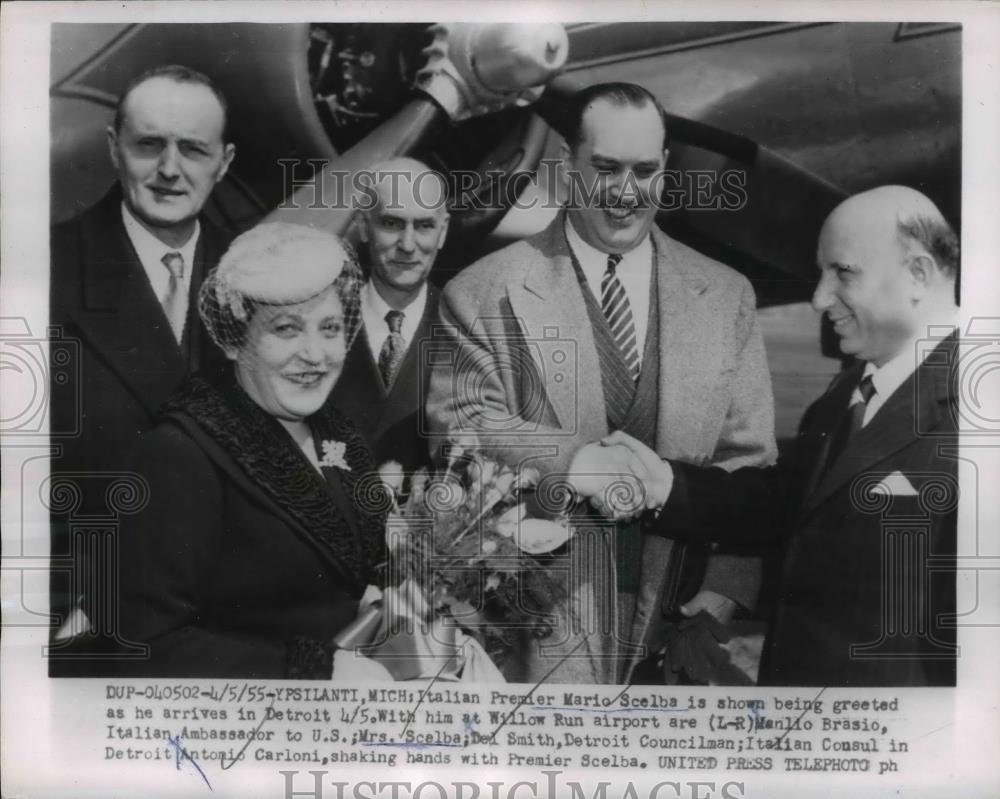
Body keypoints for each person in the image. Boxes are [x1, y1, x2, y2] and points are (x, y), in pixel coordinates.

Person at [426, 82, 776, 684]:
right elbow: (458, 429)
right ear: (568, 168)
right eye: (606, 169)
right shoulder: (482, 291)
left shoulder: (726, 296)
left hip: (673, 626)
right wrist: (575, 461)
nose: (625, 193)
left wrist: (726, 588)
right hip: (534, 628)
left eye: (644, 171)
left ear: (665, 169)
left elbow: (749, 461)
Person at [623, 185, 960, 686]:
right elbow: (787, 505)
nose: (819, 298)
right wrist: (660, 484)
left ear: (917, 275)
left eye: (843, 272)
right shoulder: (847, 391)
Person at [114, 223, 387, 678]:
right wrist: (312, 672)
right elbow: (144, 645)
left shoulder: (337, 432)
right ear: (237, 338)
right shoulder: (179, 454)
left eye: (330, 328)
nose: (316, 355)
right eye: (286, 329)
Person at [49, 65, 236, 654]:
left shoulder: (260, 274)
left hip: (235, 619)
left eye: (194, 149)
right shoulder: (44, 271)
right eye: (149, 145)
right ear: (114, 148)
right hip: (87, 618)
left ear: (224, 162)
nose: (171, 170)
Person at [328, 158, 448, 474]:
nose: (407, 245)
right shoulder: (319, 319)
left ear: (443, 231)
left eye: (424, 226)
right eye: (392, 223)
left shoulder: (463, 325)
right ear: (364, 227)